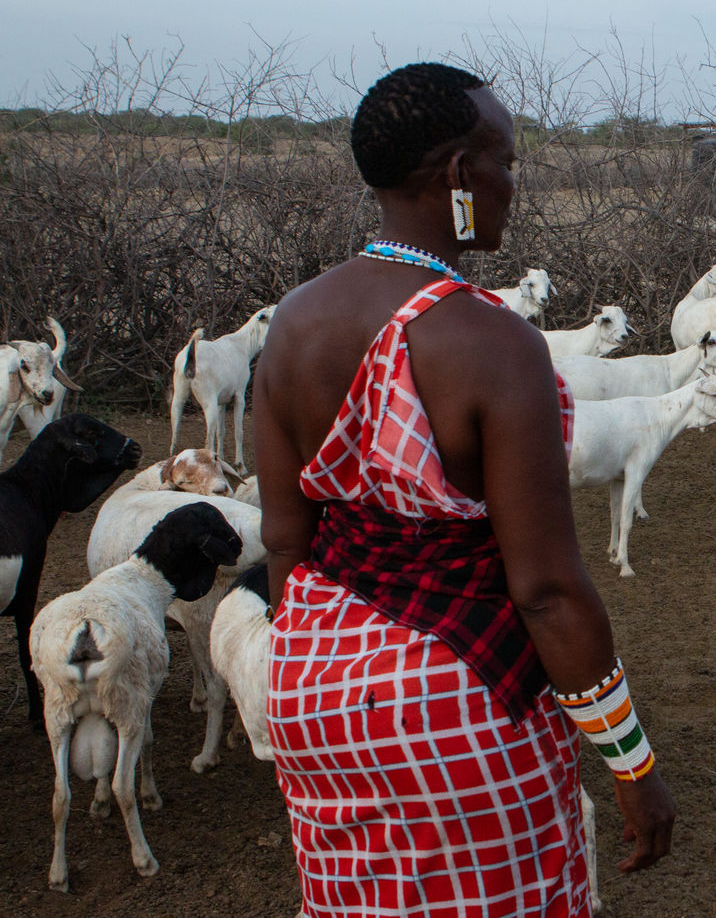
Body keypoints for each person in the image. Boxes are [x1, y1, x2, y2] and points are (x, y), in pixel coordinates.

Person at [254, 62, 674, 917]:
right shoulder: (492, 342)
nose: (512, 184)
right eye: (506, 162)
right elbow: (548, 590)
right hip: (453, 701)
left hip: (307, 682)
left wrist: (311, 686)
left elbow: (287, 546)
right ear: (457, 176)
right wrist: (633, 764)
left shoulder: (291, 324)